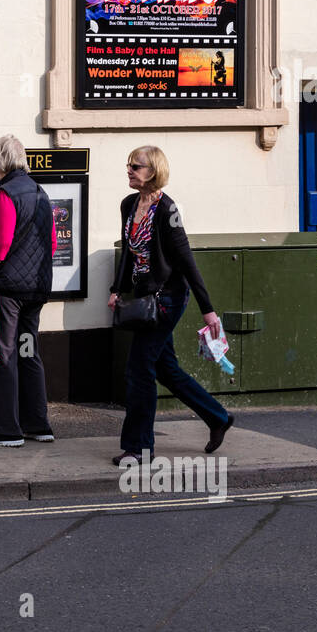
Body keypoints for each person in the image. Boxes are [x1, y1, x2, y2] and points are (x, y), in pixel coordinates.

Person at [108, 146, 234, 465]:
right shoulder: (129, 204)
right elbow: (128, 251)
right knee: (166, 369)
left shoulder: (167, 210)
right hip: (143, 297)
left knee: (139, 370)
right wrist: (117, 289)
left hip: (166, 300)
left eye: (136, 166)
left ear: (154, 172)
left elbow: (186, 261)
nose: (129, 170)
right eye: (129, 165)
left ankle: (139, 448)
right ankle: (217, 417)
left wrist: (208, 309)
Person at [0, 135, 58, 447]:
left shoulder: (7, 194)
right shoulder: (40, 192)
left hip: (10, 291)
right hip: (37, 289)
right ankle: (38, 425)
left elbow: (0, 244)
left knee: (4, 354)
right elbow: (53, 244)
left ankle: (6, 429)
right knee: (28, 351)